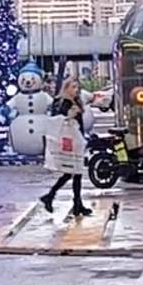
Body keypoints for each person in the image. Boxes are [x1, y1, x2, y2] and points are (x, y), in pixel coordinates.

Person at [38, 78, 91, 217]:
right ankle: (56, 197)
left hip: (76, 139)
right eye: (73, 87)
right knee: (73, 172)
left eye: (77, 87)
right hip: (69, 141)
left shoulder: (76, 101)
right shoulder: (64, 102)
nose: (76, 90)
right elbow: (62, 119)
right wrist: (70, 115)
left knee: (74, 173)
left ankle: (72, 202)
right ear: (66, 88)